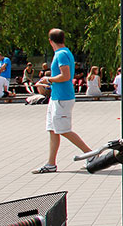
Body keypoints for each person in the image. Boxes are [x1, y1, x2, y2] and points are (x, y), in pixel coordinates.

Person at [32, 28, 92, 174]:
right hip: (56, 97)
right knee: (53, 130)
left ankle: (91, 154)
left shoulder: (62, 54)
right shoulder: (62, 53)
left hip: (62, 99)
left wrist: (48, 79)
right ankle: (51, 164)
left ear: (50, 41)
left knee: (63, 130)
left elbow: (65, 76)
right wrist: (49, 83)